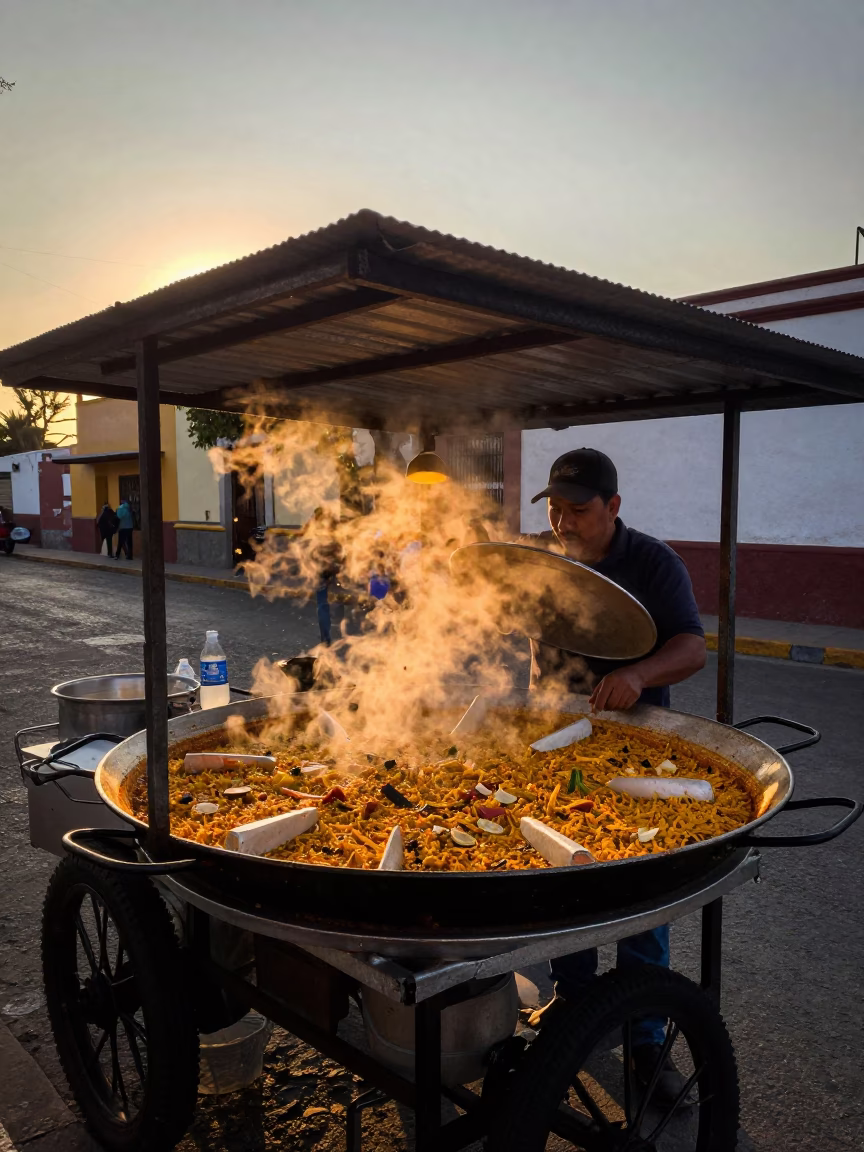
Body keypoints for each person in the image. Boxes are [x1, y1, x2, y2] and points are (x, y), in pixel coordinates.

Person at [525, 448, 707, 1104]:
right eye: (555, 509)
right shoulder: (543, 558)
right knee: (564, 867)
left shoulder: (654, 563)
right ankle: (572, 1000)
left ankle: (646, 1034)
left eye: (579, 510)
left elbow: (691, 646)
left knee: (636, 878)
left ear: (614, 508)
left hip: (635, 746)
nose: (564, 522)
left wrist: (636, 674)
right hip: (555, 741)